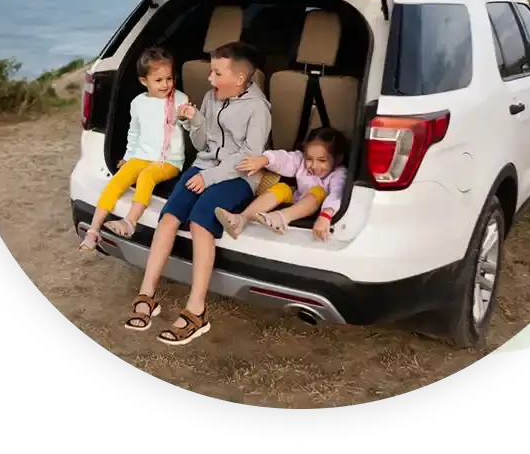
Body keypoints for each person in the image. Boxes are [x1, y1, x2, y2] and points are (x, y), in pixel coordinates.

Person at [123, 41, 271, 346]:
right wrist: (194, 120)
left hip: (237, 175)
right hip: (203, 167)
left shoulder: (258, 109)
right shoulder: (210, 97)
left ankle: (196, 310)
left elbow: (249, 156)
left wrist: (211, 177)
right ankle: (147, 294)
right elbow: (204, 144)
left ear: (239, 80)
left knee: (201, 222)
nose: (210, 78)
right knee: (169, 218)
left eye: (216, 73)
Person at [79, 47, 188, 252]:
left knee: (146, 176)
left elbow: (189, 128)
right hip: (142, 156)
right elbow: (134, 133)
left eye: (169, 78)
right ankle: (94, 229)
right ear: (143, 81)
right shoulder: (138, 103)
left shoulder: (179, 99)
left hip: (168, 161)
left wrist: (187, 118)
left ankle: (130, 222)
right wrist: (129, 157)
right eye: (158, 80)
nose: (166, 84)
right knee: (119, 179)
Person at [217, 126, 348, 242]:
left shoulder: (339, 173)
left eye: (322, 160)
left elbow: (337, 194)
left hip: (316, 207)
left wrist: (325, 216)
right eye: (309, 159)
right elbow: (285, 159)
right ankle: (242, 219)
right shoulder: (301, 161)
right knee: (283, 188)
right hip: (297, 200)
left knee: (318, 191)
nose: (314, 165)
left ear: (338, 158)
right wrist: (264, 160)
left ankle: (282, 218)